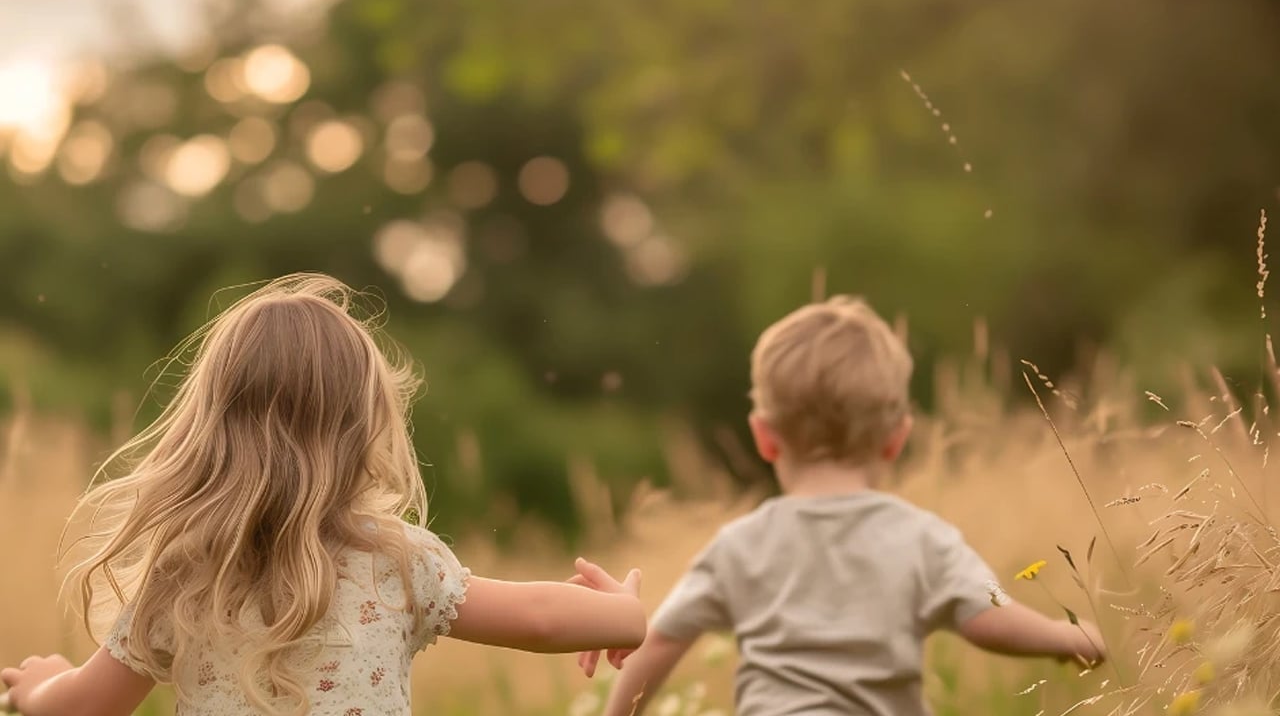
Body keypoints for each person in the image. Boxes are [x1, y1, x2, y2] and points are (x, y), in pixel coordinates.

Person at [0, 273, 646, 716]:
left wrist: (37, 688)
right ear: (367, 426)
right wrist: (623, 615)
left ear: (209, 425)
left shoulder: (184, 578)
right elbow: (541, 617)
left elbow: (84, 706)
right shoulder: (399, 563)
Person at [595, 295, 1105, 716]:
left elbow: (660, 640)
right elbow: (992, 609)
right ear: (897, 439)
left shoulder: (737, 547)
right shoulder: (926, 540)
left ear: (764, 437)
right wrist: (1062, 635)